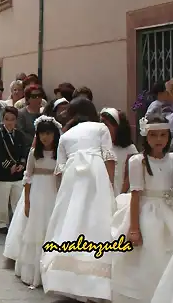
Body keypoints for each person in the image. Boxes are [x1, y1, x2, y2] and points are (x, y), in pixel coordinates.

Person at [40, 97, 116, 302]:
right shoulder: (101, 128)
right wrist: (110, 186)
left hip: (73, 177)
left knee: (71, 220)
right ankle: (98, 281)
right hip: (96, 174)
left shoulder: (66, 135)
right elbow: (109, 158)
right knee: (98, 221)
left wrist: (61, 196)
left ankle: (67, 277)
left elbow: (60, 171)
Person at [112, 116, 173, 302]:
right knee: (150, 254)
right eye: (154, 135)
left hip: (169, 209)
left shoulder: (172, 159)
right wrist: (134, 228)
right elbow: (136, 196)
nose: (159, 139)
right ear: (146, 136)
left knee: (171, 251)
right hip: (146, 211)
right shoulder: (138, 161)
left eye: (163, 135)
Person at [14, 116, 61, 287]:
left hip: (53, 194)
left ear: (55, 134)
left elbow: (61, 177)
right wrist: (27, 201)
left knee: (50, 228)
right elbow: (28, 177)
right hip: (36, 194)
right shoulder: (34, 154)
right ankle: (31, 270)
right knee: (35, 229)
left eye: (48, 133)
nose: (45, 137)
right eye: (41, 134)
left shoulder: (60, 154)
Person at [0, 106, 26, 231]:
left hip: (18, 173)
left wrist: (21, 164)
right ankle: (1, 223)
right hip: (3, 173)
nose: (10, 122)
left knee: (17, 200)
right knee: (2, 200)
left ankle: (16, 223)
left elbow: (24, 151)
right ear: (3, 120)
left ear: (16, 120)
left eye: (12, 119)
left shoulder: (20, 134)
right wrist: (9, 166)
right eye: (7, 119)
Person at [99, 108, 137, 196]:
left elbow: (130, 175)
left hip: (120, 194)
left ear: (117, 127)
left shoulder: (130, 148)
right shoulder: (98, 147)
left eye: (106, 124)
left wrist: (121, 195)